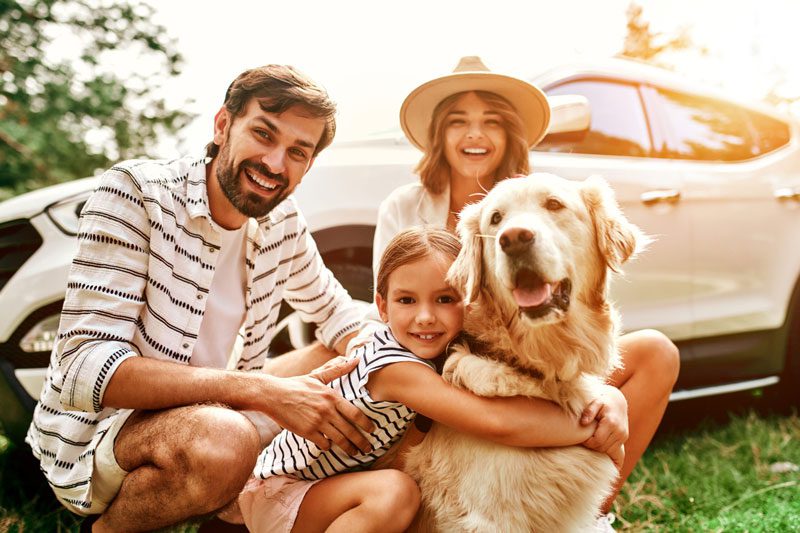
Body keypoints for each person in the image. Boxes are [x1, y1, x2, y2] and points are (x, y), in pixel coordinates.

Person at [25, 64, 378, 532]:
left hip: (215, 410)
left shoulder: (282, 222)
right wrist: (264, 392)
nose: (275, 164)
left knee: (353, 358)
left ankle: (240, 505)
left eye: (297, 151)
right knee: (225, 441)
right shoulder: (138, 192)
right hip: (108, 433)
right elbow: (83, 369)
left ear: (309, 164)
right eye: (263, 134)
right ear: (222, 125)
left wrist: (392, 363)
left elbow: (338, 315)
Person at [374, 56, 681, 522]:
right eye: (458, 122)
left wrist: (608, 395)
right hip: (440, 372)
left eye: (490, 122)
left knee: (657, 351)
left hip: (541, 363)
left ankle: (590, 512)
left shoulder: (539, 188)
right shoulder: (407, 204)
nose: (474, 134)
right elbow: (384, 309)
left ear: (509, 133)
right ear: (439, 135)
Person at [235, 226, 623, 532]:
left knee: (395, 491)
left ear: (468, 300)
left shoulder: (438, 351)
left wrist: (607, 396)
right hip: (281, 494)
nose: (425, 317)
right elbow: (496, 423)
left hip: (334, 486)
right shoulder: (393, 368)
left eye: (444, 299)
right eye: (407, 300)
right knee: (395, 493)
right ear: (382, 306)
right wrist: (588, 426)